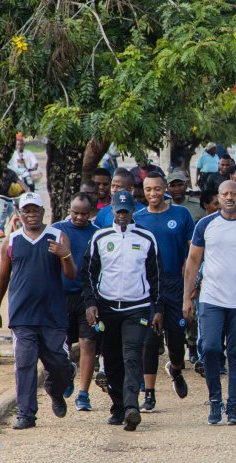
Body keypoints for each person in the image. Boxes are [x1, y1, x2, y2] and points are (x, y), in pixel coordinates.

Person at [182, 181, 236, 426]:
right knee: (210, 348)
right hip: (211, 298)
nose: (229, 197)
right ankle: (214, 400)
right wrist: (187, 297)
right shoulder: (205, 225)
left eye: (233, 194)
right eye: (224, 194)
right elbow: (192, 262)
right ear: (218, 198)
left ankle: (233, 407)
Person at [0, 192, 76, 430]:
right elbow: (2, 278)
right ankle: (26, 415)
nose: (31, 215)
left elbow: (71, 275)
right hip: (22, 314)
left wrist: (65, 255)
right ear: (19, 213)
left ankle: (56, 390)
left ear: (42, 212)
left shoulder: (57, 237)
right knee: (25, 364)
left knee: (58, 363)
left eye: (35, 210)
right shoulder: (12, 241)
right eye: (26, 210)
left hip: (52, 314)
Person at [83, 191, 163, 432]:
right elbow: (88, 274)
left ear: (132, 212)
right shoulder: (100, 237)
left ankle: (132, 408)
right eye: (118, 210)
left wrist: (157, 308)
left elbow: (156, 275)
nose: (121, 215)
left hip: (136, 307)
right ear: (112, 210)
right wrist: (90, 303)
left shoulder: (147, 238)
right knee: (112, 359)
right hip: (107, 308)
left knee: (131, 355)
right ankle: (118, 406)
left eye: (126, 211)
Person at [132, 172, 194, 412]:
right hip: (148, 286)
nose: (153, 194)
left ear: (165, 189)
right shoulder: (138, 218)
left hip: (174, 285)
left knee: (177, 341)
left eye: (157, 189)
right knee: (150, 339)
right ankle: (149, 393)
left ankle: (175, 369)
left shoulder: (181, 214)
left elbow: (192, 253)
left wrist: (190, 286)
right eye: (148, 190)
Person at [52, 195, 100, 411]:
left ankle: (84, 393)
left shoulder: (98, 233)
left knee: (88, 343)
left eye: (84, 213)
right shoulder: (56, 231)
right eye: (75, 212)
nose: (79, 217)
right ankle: (68, 371)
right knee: (59, 346)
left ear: (91, 213)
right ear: (69, 210)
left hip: (86, 296)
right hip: (60, 296)